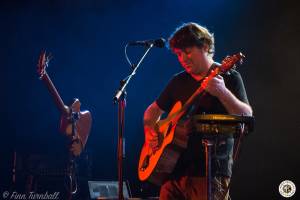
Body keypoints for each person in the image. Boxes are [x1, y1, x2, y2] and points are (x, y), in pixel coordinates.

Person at [143, 22, 253, 200]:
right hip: (174, 175)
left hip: (209, 173)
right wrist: (150, 133)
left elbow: (247, 116)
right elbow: (151, 112)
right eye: (178, 54)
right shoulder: (178, 81)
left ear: (206, 47)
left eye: (187, 51)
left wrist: (222, 92)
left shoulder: (228, 76)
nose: (183, 59)